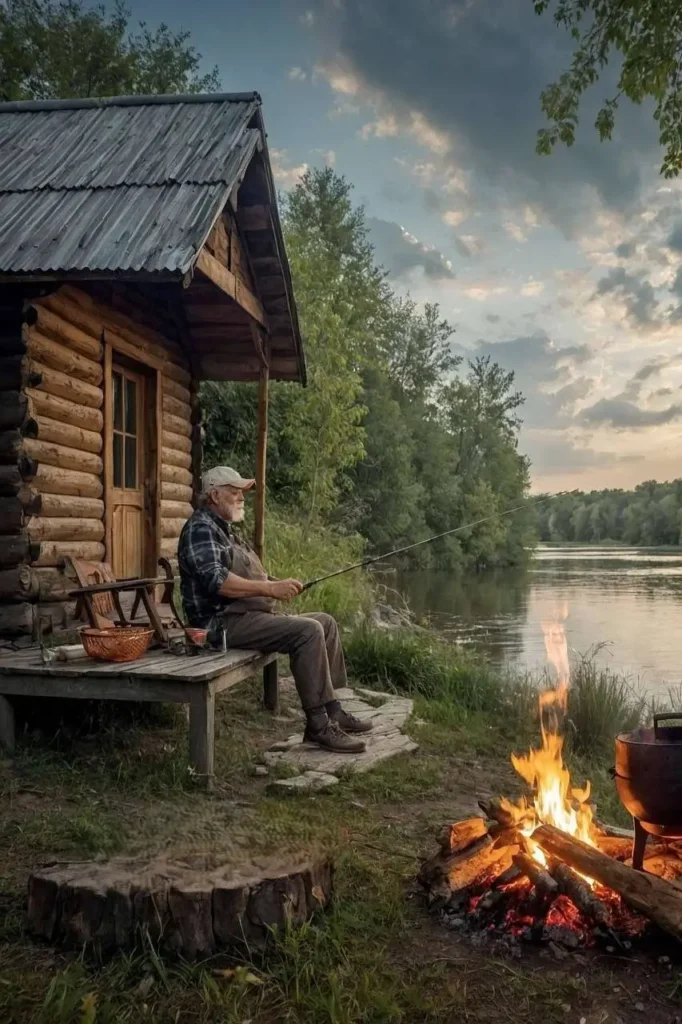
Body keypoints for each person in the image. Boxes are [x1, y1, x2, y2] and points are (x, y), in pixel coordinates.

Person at [177, 466, 373, 754]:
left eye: (242, 492)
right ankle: (318, 727)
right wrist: (270, 590)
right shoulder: (200, 529)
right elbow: (217, 582)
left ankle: (333, 710)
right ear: (215, 495)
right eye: (235, 492)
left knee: (326, 622)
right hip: (218, 625)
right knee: (308, 631)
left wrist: (278, 584)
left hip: (248, 616)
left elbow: (247, 576)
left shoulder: (224, 530)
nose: (241, 497)